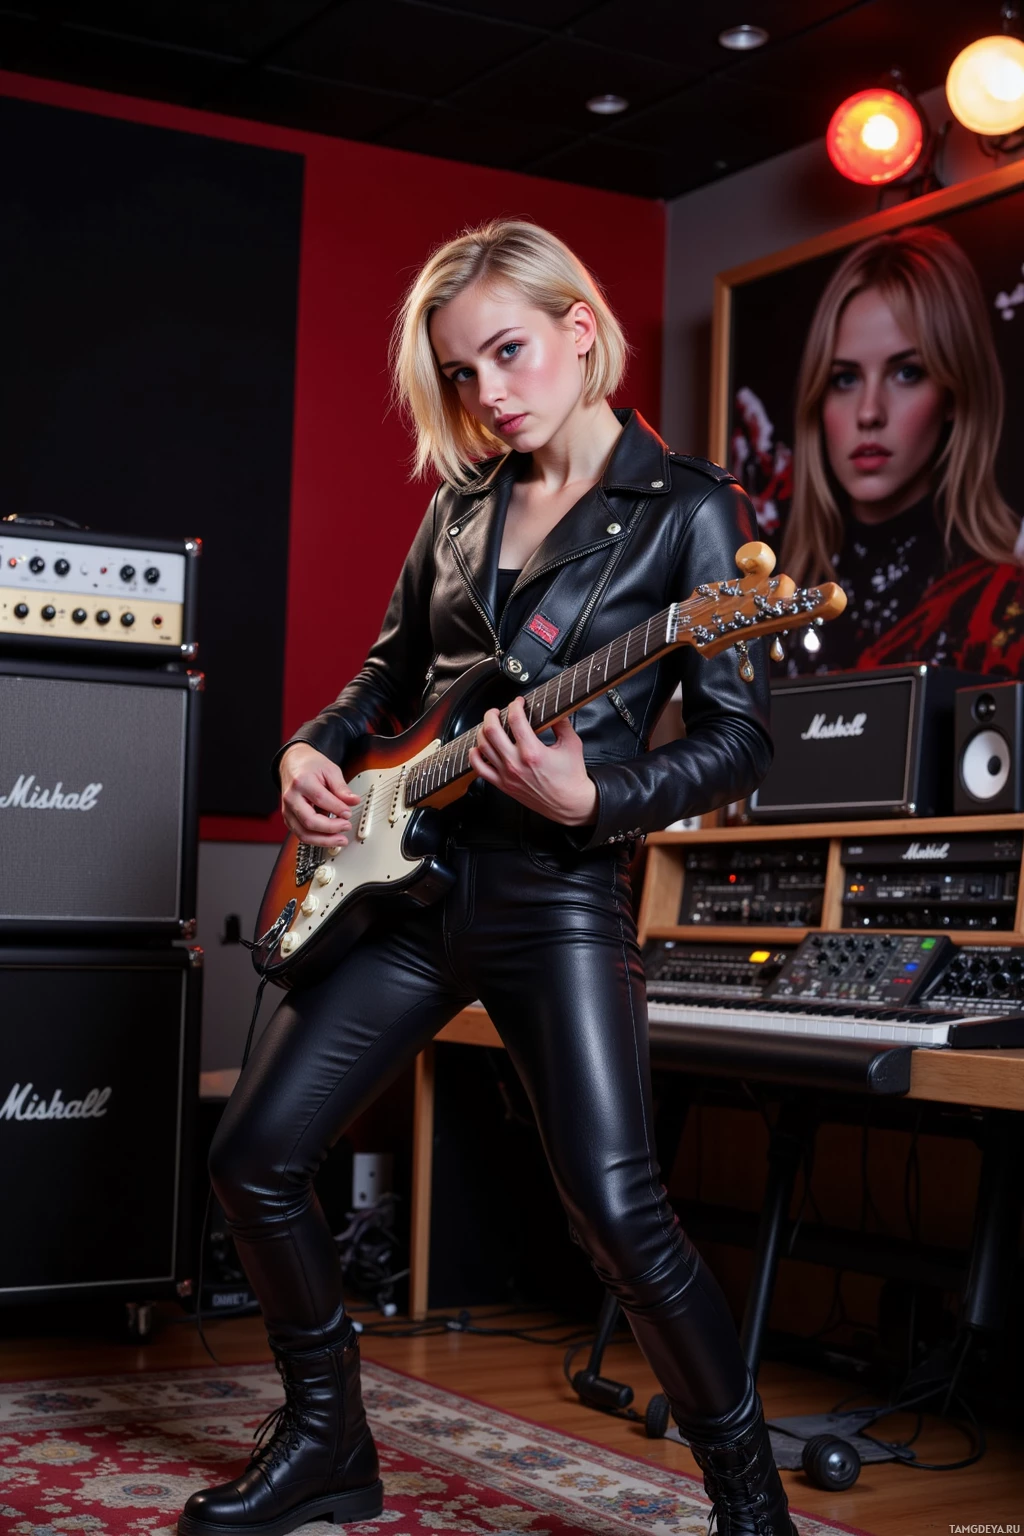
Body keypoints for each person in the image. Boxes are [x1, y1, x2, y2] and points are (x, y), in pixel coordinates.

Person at [177, 221, 787, 1536]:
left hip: (557, 892)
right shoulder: (459, 508)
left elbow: (742, 738)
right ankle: (329, 1438)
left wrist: (599, 795)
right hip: (403, 887)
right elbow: (386, 683)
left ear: (579, 330)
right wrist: (309, 750)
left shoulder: (687, 511)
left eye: (506, 354)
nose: (488, 393)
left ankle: (753, 1505)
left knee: (617, 1214)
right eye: (461, 373)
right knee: (256, 1156)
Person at [779, 224, 1024, 676]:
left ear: (954, 392)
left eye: (907, 373)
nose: (869, 412)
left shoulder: (1006, 598)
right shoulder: (767, 609)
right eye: (845, 378)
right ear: (818, 398)